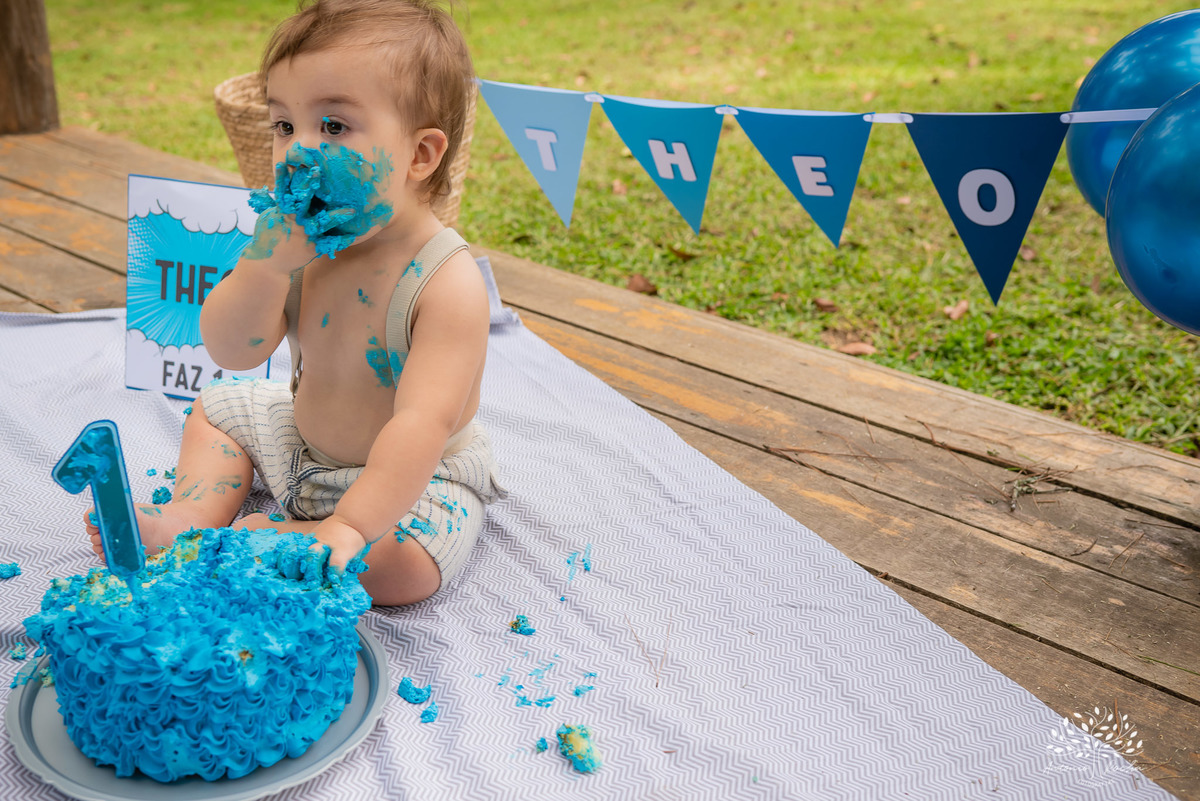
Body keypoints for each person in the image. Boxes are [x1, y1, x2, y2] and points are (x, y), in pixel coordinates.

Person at [85, 0, 502, 605]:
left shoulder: (446, 283)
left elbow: (422, 424)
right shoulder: (299, 243)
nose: (298, 151)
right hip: (302, 443)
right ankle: (187, 517)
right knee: (215, 408)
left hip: (415, 475)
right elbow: (232, 347)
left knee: (410, 566)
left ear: (420, 155)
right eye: (285, 126)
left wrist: (352, 526)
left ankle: (296, 537)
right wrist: (265, 267)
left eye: (333, 127)